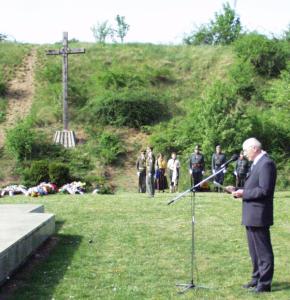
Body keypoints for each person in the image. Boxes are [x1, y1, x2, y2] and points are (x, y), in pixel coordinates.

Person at [228, 138, 276, 293]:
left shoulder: (266, 164)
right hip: (251, 213)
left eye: (245, 150)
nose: (244, 153)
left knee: (263, 250)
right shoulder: (256, 163)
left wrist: (244, 193)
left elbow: (264, 190)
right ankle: (256, 278)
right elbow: (253, 186)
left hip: (259, 214)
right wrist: (236, 189)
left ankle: (265, 283)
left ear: (254, 148)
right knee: (254, 250)